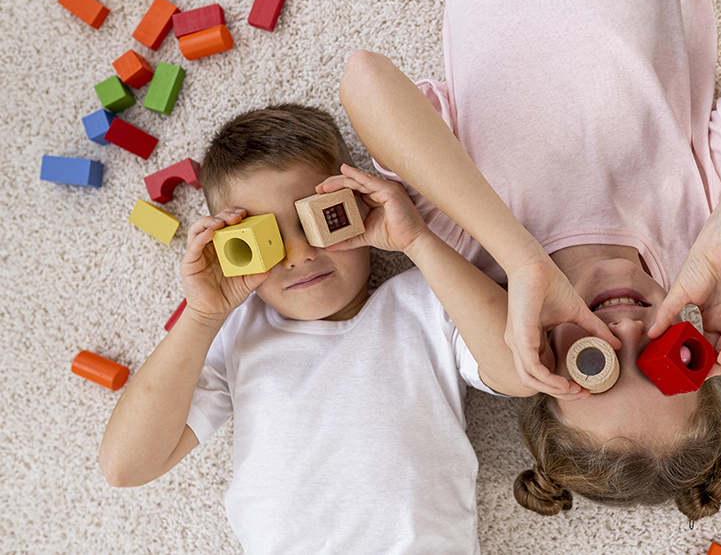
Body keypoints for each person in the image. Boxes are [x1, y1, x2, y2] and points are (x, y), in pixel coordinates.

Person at [333, 0, 721, 521]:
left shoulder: (474, 234)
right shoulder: (703, 227)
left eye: (596, 362)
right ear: (697, 345)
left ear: (541, 359)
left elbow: (365, 79)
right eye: (665, 356)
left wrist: (523, 258)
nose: (629, 328)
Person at [98, 104, 534, 554]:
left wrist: (417, 241)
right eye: (264, 240)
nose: (300, 254)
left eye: (320, 219)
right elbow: (125, 466)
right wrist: (202, 316)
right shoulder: (239, 332)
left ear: (360, 206)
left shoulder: (424, 301)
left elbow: (521, 370)